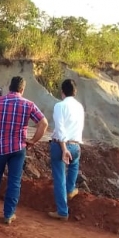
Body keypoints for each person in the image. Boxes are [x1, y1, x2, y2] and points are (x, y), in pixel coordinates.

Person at [0, 76, 48, 225]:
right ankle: (8, 214)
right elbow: (43, 123)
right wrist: (33, 141)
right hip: (18, 148)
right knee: (14, 182)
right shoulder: (28, 105)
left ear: (10, 87)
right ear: (22, 89)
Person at [48, 79, 85, 220]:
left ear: (62, 91)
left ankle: (62, 212)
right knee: (74, 165)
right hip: (76, 145)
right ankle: (70, 190)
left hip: (60, 146)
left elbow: (60, 128)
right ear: (75, 92)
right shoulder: (80, 106)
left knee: (59, 178)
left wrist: (64, 148)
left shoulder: (60, 106)